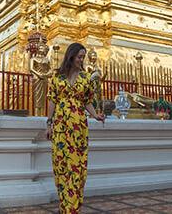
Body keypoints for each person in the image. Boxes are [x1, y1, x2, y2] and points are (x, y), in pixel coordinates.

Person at [45, 43, 105, 214]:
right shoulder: (57, 76)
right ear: (70, 56)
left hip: (78, 126)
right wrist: (48, 124)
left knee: (77, 167)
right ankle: (65, 205)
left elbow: (87, 101)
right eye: (79, 56)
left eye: (83, 57)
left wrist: (95, 115)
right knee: (60, 165)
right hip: (60, 126)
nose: (81, 60)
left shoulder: (86, 77)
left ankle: (72, 208)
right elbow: (52, 100)